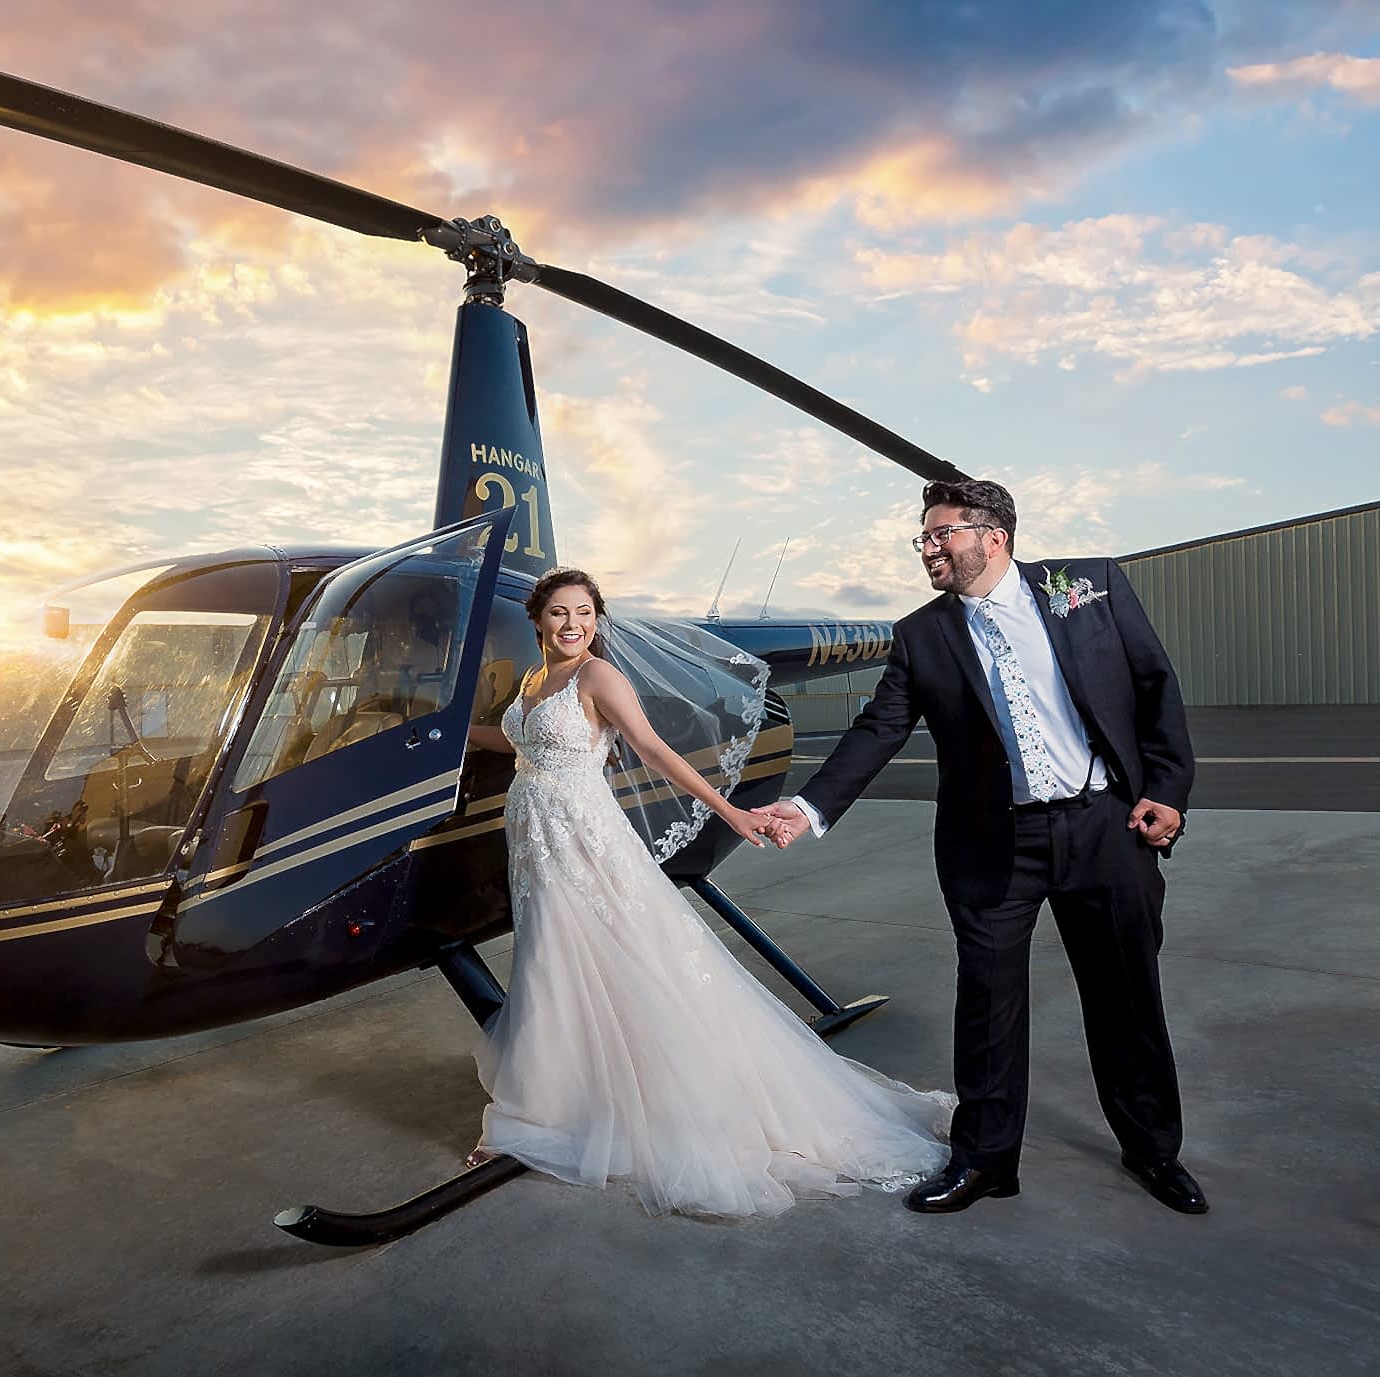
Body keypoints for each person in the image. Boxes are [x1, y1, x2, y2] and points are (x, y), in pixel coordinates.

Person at [754, 477, 1206, 1216]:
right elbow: (879, 728)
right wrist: (807, 806)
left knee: (1126, 995)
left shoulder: (1087, 586)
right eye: (922, 537)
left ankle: (1155, 1149)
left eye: (942, 534)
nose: (928, 548)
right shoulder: (922, 634)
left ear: (994, 535)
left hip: (1104, 826)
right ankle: (986, 1160)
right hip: (997, 842)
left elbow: (1156, 685)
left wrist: (1167, 790)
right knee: (988, 1001)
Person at [463, 567, 952, 1219]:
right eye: (559, 612)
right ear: (538, 620)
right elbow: (520, 738)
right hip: (532, 836)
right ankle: (569, 1094)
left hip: (581, 836)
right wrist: (457, 735)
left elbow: (653, 748)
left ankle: (542, 1113)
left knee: (570, 956)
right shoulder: (532, 680)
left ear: (596, 619)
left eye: (584, 612)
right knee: (549, 959)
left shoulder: (598, 677)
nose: (572, 623)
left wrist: (730, 811)